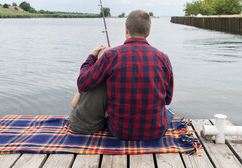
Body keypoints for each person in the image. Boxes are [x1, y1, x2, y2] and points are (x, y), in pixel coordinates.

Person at [77, 10, 174, 140]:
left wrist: (92, 57)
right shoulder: (163, 58)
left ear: (126, 29)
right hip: (155, 131)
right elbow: (167, 99)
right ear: (149, 32)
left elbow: (83, 83)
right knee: (168, 111)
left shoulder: (110, 56)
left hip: (120, 130)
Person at [69, 47, 109, 133]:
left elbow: (73, 104)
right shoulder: (111, 85)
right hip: (95, 127)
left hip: (74, 124)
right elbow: (106, 114)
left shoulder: (86, 81)